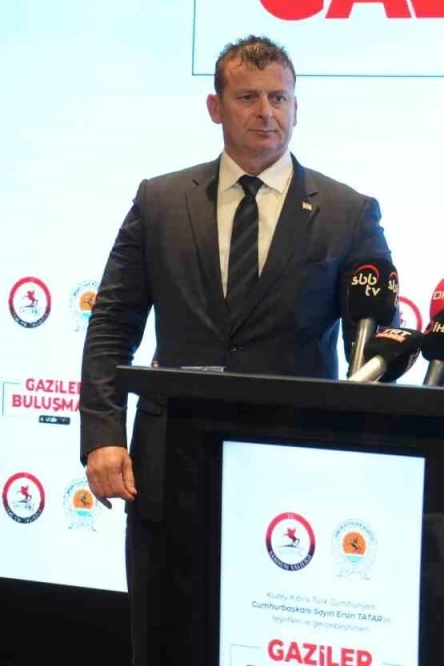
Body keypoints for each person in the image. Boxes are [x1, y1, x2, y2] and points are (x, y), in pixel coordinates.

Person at [79, 35, 394, 665]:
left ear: (297, 108)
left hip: (296, 470)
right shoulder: (160, 201)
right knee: (165, 641)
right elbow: (112, 320)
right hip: (169, 465)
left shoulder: (347, 211)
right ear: (215, 107)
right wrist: (102, 433)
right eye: (248, 97)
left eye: (279, 97)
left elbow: (375, 342)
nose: (266, 112)